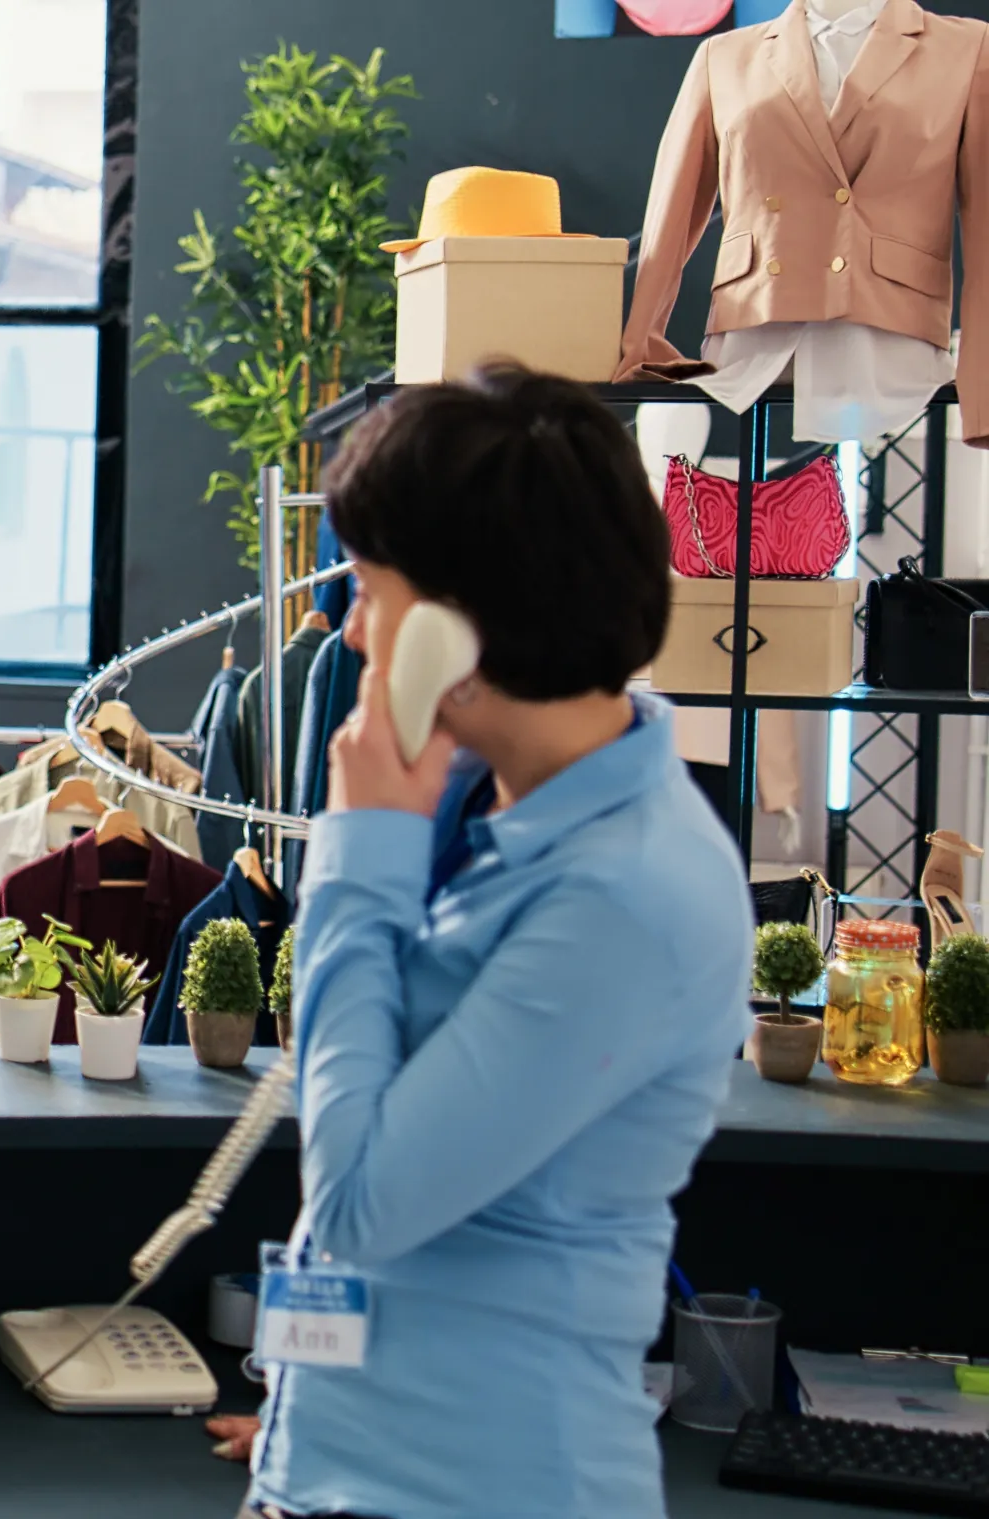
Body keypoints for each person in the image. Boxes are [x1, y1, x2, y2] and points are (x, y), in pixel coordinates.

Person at [238, 364, 750, 1519]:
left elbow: (362, 1202)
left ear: (453, 633)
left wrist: (359, 844)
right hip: (354, 1473)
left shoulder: (628, 892)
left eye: (368, 593)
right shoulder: (500, 811)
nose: (350, 629)